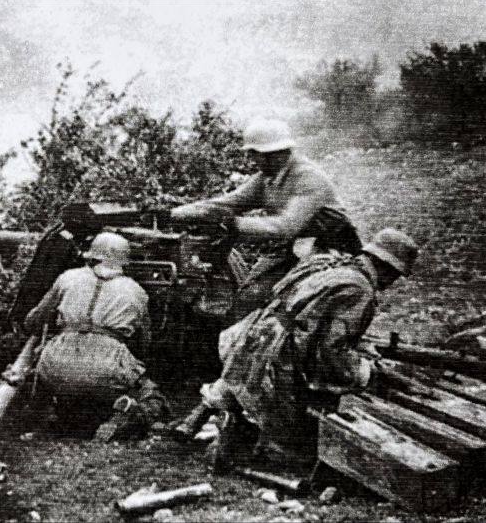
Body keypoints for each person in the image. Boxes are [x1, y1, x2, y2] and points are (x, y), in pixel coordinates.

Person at [171, 228, 419, 470]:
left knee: (244, 385)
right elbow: (331, 351)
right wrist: (367, 372)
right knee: (296, 456)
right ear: (387, 268)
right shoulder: (358, 288)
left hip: (257, 335)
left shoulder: (329, 263)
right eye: (396, 275)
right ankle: (238, 438)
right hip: (280, 355)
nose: (391, 282)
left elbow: (309, 316)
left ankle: (224, 416)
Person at [170, 118, 362, 320]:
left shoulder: (310, 178)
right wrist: (175, 213)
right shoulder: (267, 178)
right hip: (292, 249)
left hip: (330, 252)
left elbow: (285, 226)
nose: (253, 161)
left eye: (256, 155)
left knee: (299, 307)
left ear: (271, 154)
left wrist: (231, 223)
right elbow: (227, 203)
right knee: (247, 299)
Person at [24, 232, 168, 442]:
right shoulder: (137, 291)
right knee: (153, 397)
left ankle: (44, 416)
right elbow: (145, 342)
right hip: (107, 365)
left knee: (45, 368)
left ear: (91, 258)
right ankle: (123, 419)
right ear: (124, 262)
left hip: (57, 361)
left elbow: (33, 321)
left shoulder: (68, 278)